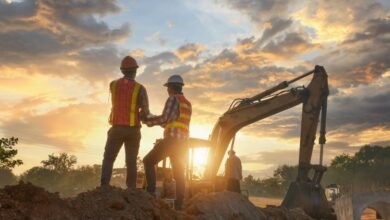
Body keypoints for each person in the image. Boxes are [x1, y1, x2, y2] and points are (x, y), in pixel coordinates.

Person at [100, 55, 150, 189]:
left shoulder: (113, 84)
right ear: (135, 71)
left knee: (109, 158)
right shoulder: (140, 88)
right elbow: (145, 112)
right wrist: (149, 119)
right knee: (131, 161)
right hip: (133, 130)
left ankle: (104, 187)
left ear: (122, 70)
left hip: (116, 128)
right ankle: (131, 190)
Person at [143, 75, 191, 210]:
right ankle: (179, 205)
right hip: (183, 143)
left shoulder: (172, 99)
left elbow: (164, 119)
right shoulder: (187, 103)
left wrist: (148, 121)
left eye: (167, 88)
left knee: (148, 161)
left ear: (171, 88)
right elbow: (172, 122)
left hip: (172, 141)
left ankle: (150, 193)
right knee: (179, 173)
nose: (167, 90)